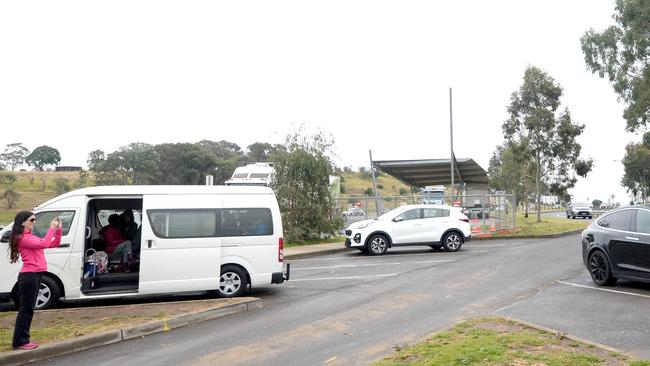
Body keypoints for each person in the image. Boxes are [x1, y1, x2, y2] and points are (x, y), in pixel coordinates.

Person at [9, 211, 62, 350]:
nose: (34, 222)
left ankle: (21, 340)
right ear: (22, 222)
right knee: (26, 309)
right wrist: (51, 227)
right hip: (29, 276)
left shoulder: (31, 237)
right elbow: (45, 242)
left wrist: (58, 230)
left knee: (28, 309)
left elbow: (54, 244)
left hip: (35, 275)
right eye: (32, 220)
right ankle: (21, 341)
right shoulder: (23, 238)